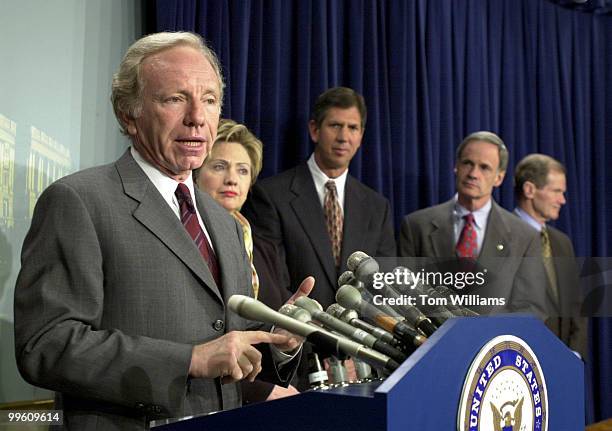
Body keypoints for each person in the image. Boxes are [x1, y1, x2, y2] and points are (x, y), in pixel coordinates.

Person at [13, 32, 310, 430]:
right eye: (174, 99)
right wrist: (189, 360)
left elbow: (226, 338)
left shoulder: (224, 221)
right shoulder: (79, 200)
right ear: (127, 113)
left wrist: (278, 339)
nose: (197, 117)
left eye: (209, 100)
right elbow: (45, 344)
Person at [242, 87, 396, 310]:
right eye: (335, 126)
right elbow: (272, 278)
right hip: (299, 332)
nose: (343, 137)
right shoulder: (271, 195)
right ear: (315, 130)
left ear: (361, 136)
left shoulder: (377, 207)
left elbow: (382, 283)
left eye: (352, 128)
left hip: (362, 338)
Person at [194, 118, 299, 401]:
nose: (232, 179)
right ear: (195, 173)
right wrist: (262, 391)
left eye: (242, 170)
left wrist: (284, 337)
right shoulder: (188, 241)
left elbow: (257, 337)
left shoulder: (264, 248)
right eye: (219, 167)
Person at [398, 131, 548, 316]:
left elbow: (532, 308)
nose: (473, 174)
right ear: (456, 166)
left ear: (499, 177)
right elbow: (402, 297)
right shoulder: (416, 226)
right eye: (467, 163)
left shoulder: (524, 236)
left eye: (484, 167)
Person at [513, 153, 587, 358]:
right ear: (529, 190)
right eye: (556, 191)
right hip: (522, 360)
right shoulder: (503, 236)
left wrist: (575, 352)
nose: (562, 200)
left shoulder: (562, 242)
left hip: (565, 360)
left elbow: (576, 306)